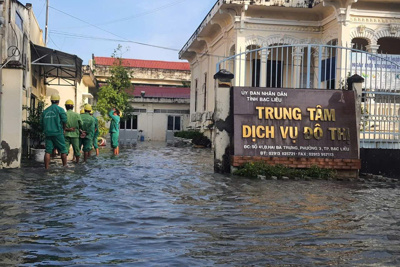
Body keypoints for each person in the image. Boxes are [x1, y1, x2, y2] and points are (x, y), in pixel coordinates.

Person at [40, 94, 68, 169]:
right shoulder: (60, 109)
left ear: (51, 101)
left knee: (48, 151)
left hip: (48, 133)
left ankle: (46, 168)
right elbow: (64, 120)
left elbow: (41, 123)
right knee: (63, 150)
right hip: (58, 133)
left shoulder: (45, 111)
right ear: (58, 101)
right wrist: (64, 129)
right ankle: (65, 166)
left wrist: (44, 131)